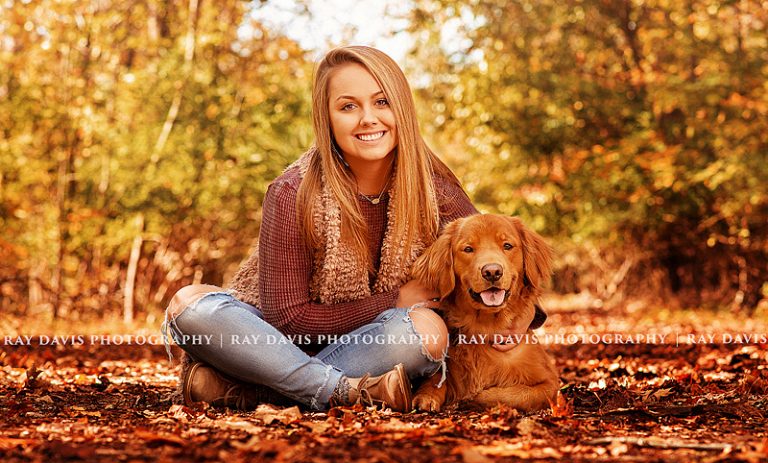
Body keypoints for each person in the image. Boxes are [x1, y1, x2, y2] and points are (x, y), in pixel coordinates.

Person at [163, 46, 539, 412]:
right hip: (273, 341)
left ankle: (252, 388)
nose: (368, 119)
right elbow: (288, 321)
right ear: (326, 118)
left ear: (402, 110)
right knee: (190, 306)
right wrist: (395, 299)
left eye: (381, 102)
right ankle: (345, 392)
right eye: (348, 106)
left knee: (426, 332)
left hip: (374, 347)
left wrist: (524, 317)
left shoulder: (435, 191)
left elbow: (494, 255)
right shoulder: (292, 192)